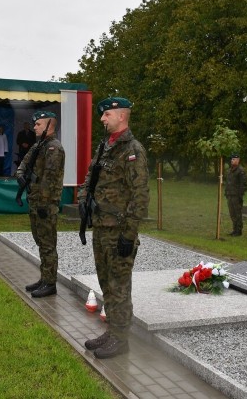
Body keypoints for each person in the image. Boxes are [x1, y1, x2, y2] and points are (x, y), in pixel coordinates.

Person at [81, 97, 149, 359]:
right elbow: (91, 177)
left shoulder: (133, 150)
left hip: (119, 230)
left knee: (119, 286)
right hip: (101, 227)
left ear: (122, 116)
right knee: (106, 284)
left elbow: (140, 195)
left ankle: (121, 340)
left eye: (106, 114)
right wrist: (83, 199)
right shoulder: (105, 147)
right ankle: (113, 331)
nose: (102, 119)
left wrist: (129, 234)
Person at [16, 111, 65, 298]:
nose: (34, 127)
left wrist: (44, 203)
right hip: (35, 200)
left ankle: (50, 284)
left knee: (47, 244)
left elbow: (50, 180)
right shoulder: (39, 146)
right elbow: (24, 162)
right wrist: (20, 174)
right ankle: (44, 278)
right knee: (40, 241)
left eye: (38, 124)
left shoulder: (54, 148)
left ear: (49, 125)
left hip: (46, 204)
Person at [224, 153, 246, 236]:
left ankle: (239, 230)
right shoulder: (230, 170)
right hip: (230, 194)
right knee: (232, 213)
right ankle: (234, 229)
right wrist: (226, 192)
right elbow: (228, 183)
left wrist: (240, 195)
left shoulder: (240, 171)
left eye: (233, 159)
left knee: (237, 213)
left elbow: (242, 184)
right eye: (231, 159)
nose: (232, 161)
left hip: (236, 196)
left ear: (238, 160)